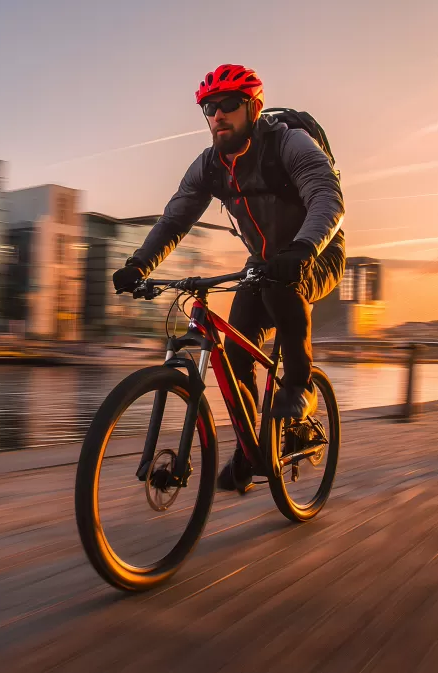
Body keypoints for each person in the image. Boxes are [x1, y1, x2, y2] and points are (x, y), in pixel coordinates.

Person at [111, 63, 346, 486]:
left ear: (252, 107)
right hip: (263, 263)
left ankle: (299, 387)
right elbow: (174, 221)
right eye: (208, 108)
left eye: (228, 105)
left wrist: (303, 248)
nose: (217, 115)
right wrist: (138, 265)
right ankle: (249, 451)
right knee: (236, 357)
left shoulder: (288, 144)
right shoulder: (210, 165)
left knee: (280, 287)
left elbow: (327, 197)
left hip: (316, 252)